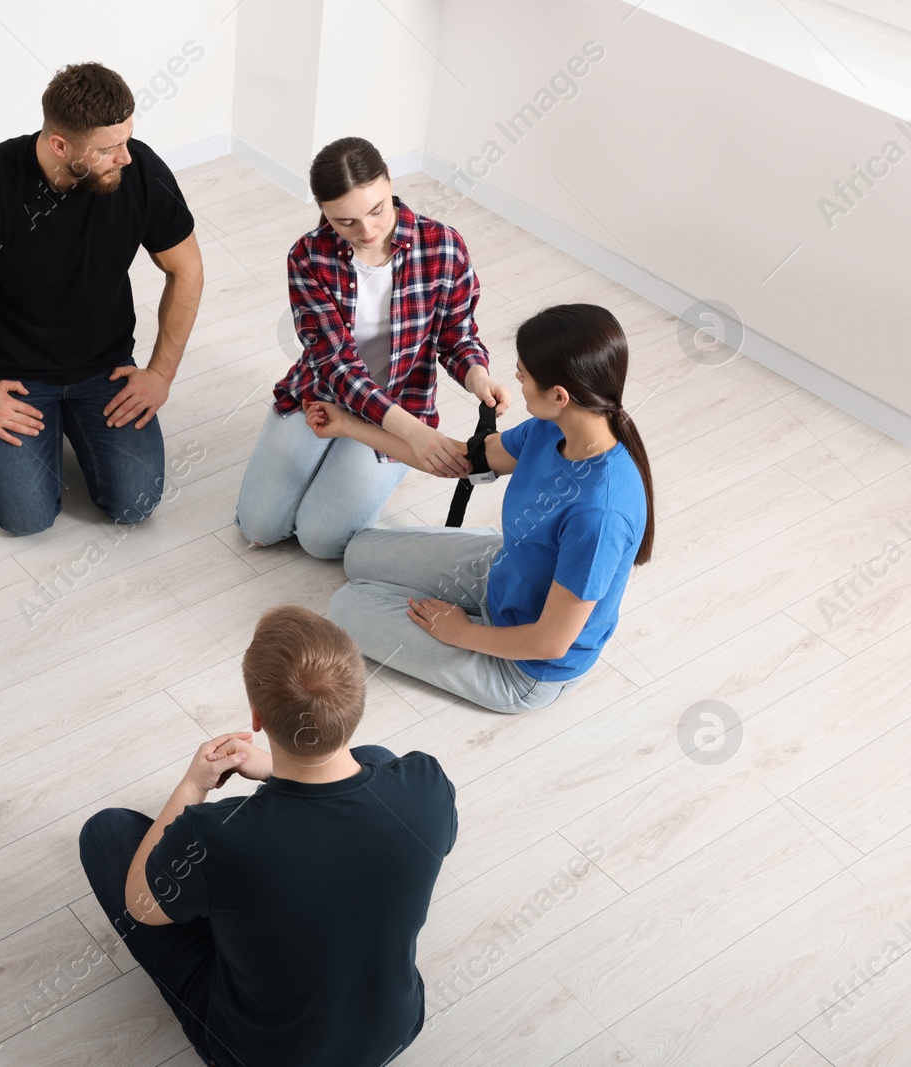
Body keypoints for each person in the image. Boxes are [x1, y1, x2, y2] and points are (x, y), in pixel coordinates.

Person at [79, 605, 457, 1066]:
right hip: (394, 1030)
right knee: (376, 756)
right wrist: (279, 771)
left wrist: (193, 785)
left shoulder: (214, 837)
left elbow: (142, 905)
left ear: (257, 716)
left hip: (261, 1055)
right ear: (358, 701)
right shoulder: (428, 785)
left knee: (106, 833)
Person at [0, 61, 204, 536]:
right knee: (24, 519)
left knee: (135, 505)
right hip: (18, 381)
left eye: (127, 139)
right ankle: (47, 429)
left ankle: (79, 425)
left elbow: (186, 269)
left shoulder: (139, 169)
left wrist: (161, 373)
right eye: (109, 149)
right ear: (60, 145)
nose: (126, 157)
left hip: (106, 369)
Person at [310, 303, 655, 712]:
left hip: (524, 668)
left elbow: (551, 640)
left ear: (559, 395)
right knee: (358, 552)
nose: (517, 380)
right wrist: (349, 425)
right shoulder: (553, 427)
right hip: (503, 570)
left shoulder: (600, 515)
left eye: (524, 374)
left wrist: (459, 632)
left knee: (347, 605)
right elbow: (463, 460)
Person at [235, 136, 509, 559]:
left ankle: (350, 458)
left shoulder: (443, 245)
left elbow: (457, 335)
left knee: (321, 541)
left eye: (376, 209)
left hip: (400, 406)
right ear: (323, 210)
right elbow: (336, 366)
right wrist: (416, 435)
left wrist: (478, 375)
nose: (366, 231)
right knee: (259, 527)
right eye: (345, 221)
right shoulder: (308, 257)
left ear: (389, 182)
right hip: (325, 395)